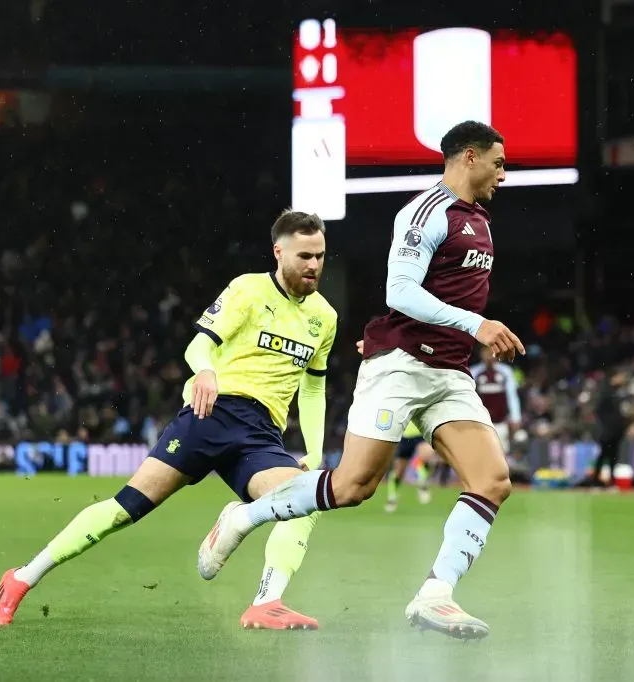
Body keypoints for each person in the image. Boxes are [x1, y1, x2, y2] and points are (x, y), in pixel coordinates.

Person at [197, 120, 523, 640]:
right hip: (400, 366)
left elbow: (445, 295)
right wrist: (476, 325)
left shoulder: (480, 220)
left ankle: (435, 595)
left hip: (449, 371)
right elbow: (399, 291)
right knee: (352, 487)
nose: (503, 175)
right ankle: (244, 517)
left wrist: (466, 332)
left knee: (493, 481)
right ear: (468, 156)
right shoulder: (425, 212)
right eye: (499, 163)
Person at [0, 210, 338, 631]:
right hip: (212, 414)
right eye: (305, 256)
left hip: (261, 434)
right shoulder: (247, 290)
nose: (314, 265)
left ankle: (267, 602)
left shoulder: (325, 317)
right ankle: (21, 578)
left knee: (305, 501)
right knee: (125, 509)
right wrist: (205, 370)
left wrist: (315, 450)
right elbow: (197, 347)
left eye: (319, 256)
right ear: (279, 252)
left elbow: (314, 386)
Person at [469, 346, 522, 455]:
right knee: (481, 455)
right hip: (480, 423)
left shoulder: (506, 372)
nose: (489, 355)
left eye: (491, 352)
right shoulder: (474, 372)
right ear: (481, 354)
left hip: (500, 422)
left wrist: (515, 417)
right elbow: (468, 398)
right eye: (486, 352)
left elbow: (512, 396)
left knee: (501, 454)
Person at [385, 420, 436, 512]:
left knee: (427, 455)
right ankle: (392, 497)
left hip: (421, 434)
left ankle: (423, 484)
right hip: (405, 436)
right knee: (399, 471)